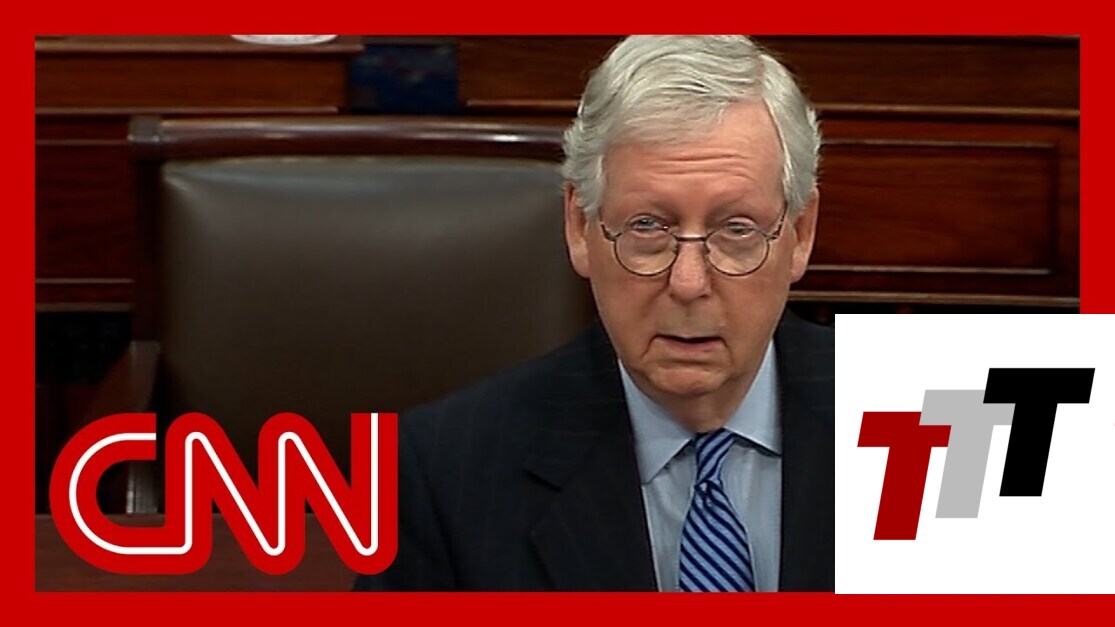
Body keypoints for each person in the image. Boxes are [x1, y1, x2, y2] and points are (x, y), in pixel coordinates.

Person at [354, 35, 832, 592]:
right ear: (580, 228)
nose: (688, 283)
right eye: (647, 227)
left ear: (800, 235)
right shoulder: (444, 471)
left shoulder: (915, 418)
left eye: (737, 230)